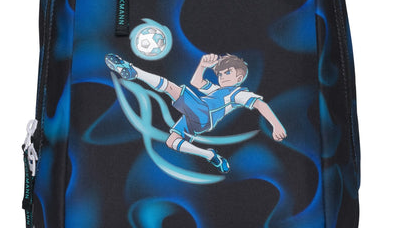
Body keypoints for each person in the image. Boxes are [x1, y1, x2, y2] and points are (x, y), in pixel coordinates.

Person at [106, 53, 287, 173]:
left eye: (227, 73)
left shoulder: (238, 93)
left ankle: (134, 71)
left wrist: (277, 125)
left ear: (239, 77)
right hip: (195, 116)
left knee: (171, 88)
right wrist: (202, 65)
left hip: (204, 114)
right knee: (172, 141)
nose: (222, 76)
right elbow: (197, 83)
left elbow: (261, 104)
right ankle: (210, 156)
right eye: (220, 74)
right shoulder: (216, 89)